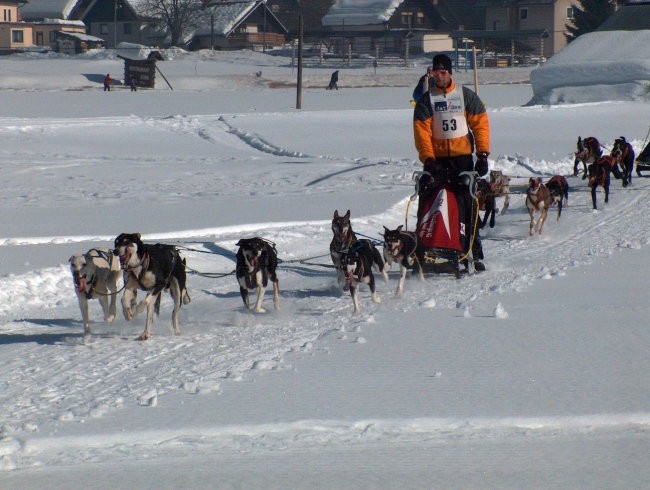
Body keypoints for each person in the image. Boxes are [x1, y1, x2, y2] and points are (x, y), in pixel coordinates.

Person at [413, 53, 491, 271]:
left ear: (450, 73)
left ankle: (472, 252)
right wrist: (428, 159)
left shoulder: (465, 96)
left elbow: (481, 124)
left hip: (462, 160)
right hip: (436, 161)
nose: (439, 76)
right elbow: (422, 134)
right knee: (428, 199)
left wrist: (483, 154)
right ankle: (424, 248)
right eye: (436, 72)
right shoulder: (426, 101)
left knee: (467, 204)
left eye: (443, 72)